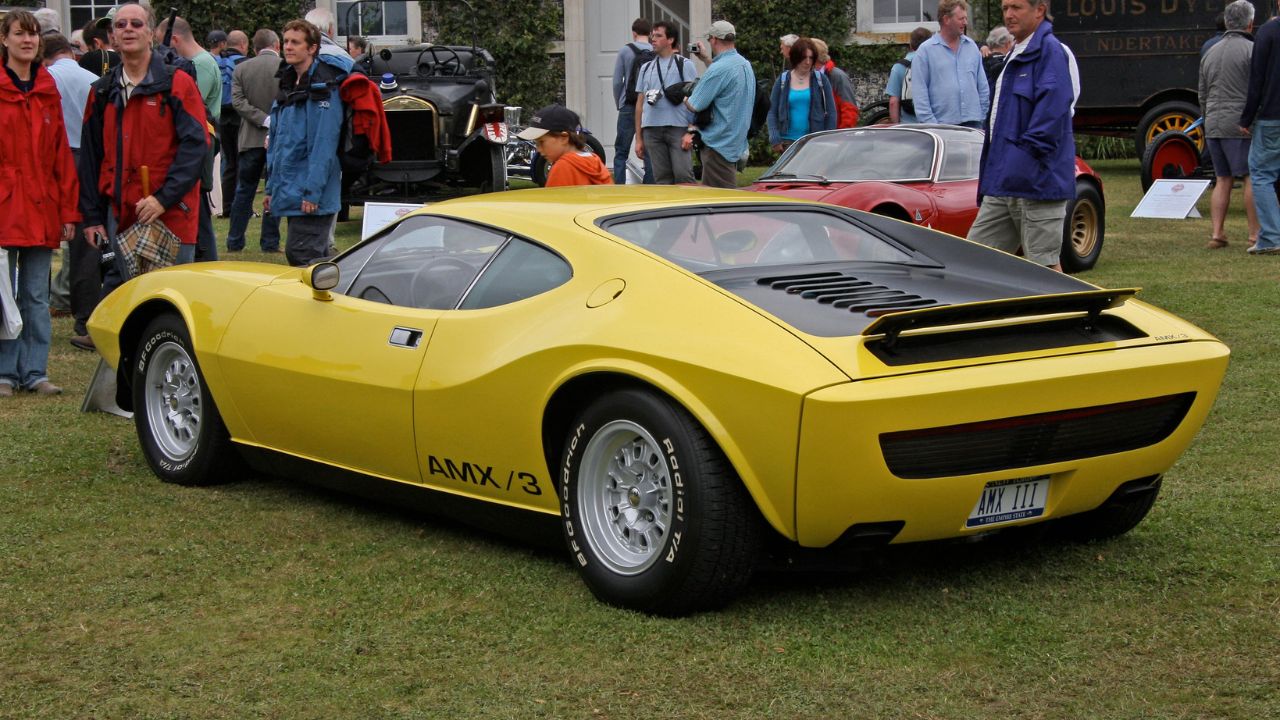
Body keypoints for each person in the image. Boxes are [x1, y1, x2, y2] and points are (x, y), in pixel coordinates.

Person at [79, 1, 209, 294]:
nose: (128, 30)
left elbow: (196, 147)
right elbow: (90, 157)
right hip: (121, 211)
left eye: (136, 24)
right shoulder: (101, 91)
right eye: (121, 25)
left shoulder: (177, 83)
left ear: (150, 33)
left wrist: (163, 198)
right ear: (112, 36)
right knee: (130, 298)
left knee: (172, 299)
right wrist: (91, 217)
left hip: (172, 211)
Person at [0, 9, 79, 397]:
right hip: (5, 204)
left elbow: (61, 155)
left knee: (34, 294)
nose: (27, 40)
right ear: (5, 40)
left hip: (39, 204)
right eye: (19, 34)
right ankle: (4, 372)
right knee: (3, 292)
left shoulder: (48, 90)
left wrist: (68, 211)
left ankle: (34, 371)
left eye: (32, 35)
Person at [967, 0, 1075, 271]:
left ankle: (1064, 314)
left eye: (1016, 7)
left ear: (1040, 9)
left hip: (1038, 183)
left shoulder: (1050, 51)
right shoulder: (1014, 52)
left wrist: (1021, 162)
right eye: (1005, 8)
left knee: (1045, 270)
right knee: (973, 259)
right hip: (1005, 182)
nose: (1009, 15)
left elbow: (1051, 116)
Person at [265, 20, 345, 267]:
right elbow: (279, 143)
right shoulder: (289, 84)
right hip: (293, 190)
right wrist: (271, 188)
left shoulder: (324, 89)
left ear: (312, 48)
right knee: (311, 258)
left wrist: (313, 192)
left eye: (295, 42)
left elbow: (323, 145)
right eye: (286, 41)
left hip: (311, 195)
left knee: (303, 257)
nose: (288, 47)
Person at [42, 33, 100, 352]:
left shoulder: (47, 78)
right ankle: (84, 312)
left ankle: (62, 303)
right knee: (86, 240)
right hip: (89, 156)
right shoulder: (93, 78)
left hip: (61, 155)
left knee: (52, 239)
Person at [1201, 0, 1259, 250]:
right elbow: (1258, 89)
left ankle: (1217, 233)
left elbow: (1202, 93)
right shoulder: (1251, 50)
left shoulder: (1210, 51)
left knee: (1222, 178)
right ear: (1250, 23)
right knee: (1250, 177)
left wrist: (1208, 118)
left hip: (1213, 122)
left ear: (1226, 22)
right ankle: (1255, 234)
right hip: (1240, 125)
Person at [163, 16, 221, 263]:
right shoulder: (198, 62)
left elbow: (192, 107)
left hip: (200, 139)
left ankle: (206, 261)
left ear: (174, 39)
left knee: (199, 211)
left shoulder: (200, 65)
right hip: (200, 138)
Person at [227, 28, 282, 253]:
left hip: (250, 138)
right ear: (277, 45)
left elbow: (238, 102)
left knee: (244, 191)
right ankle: (269, 242)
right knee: (274, 189)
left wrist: (261, 119)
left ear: (254, 48)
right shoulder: (286, 68)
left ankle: (234, 240)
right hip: (278, 137)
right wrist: (273, 120)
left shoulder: (241, 68)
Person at [685, 20, 754, 188]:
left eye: (709, 39)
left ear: (714, 39)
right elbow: (723, 80)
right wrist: (706, 59)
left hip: (718, 145)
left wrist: (684, 97)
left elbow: (695, 104)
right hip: (735, 142)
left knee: (720, 205)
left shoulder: (719, 69)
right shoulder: (745, 64)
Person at [633, 20, 698, 184]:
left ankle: (690, 210)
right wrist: (638, 138)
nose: (653, 39)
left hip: (678, 128)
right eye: (652, 35)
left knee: (684, 177)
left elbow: (696, 100)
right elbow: (639, 105)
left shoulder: (684, 64)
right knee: (662, 181)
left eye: (658, 35)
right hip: (651, 130)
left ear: (670, 40)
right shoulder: (646, 67)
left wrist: (691, 131)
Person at [1239, 0, 1280, 255]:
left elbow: (1257, 80)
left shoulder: (1267, 32)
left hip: (1272, 116)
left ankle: (1271, 236)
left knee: (1262, 174)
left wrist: (1246, 118)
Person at [911, 0, 989, 127]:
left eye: (966, 18)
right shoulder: (925, 52)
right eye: (961, 19)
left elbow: (983, 86)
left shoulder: (972, 47)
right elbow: (920, 94)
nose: (965, 23)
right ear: (946, 19)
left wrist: (981, 117)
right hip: (942, 126)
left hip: (974, 124)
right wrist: (932, 125)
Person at [767, 37, 836, 154]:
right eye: (804, 57)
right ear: (795, 57)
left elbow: (831, 112)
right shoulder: (782, 80)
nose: (808, 62)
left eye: (811, 58)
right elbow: (771, 111)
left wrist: (827, 138)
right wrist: (774, 137)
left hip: (815, 141)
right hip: (787, 143)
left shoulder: (821, 80)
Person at [517, 104, 612, 187]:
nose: (539, 149)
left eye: (542, 142)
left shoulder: (562, 167)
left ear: (564, 138)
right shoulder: (595, 161)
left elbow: (554, 205)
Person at [612, 18, 654, 184]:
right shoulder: (655, 50)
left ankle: (620, 188)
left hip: (628, 104)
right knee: (649, 151)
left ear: (634, 33)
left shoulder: (625, 51)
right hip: (649, 107)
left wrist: (619, 102)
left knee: (621, 151)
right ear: (650, 33)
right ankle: (650, 188)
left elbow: (617, 81)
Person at [214, 29, 248, 218]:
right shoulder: (244, 63)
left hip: (222, 116)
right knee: (243, 160)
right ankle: (242, 207)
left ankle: (226, 207)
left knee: (229, 163)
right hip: (239, 115)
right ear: (243, 44)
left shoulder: (217, 61)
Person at [886, 27, 931, 124]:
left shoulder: (899, 67)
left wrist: (897, 126)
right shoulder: (934, 64)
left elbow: (893, 102)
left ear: (911, 44)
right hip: (932, 125)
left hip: (909, 126)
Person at [811, 38, 859, 128]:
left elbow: (849, 109)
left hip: (833, 136)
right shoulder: (808, 76)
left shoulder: (837, 76)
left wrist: (842, 136)